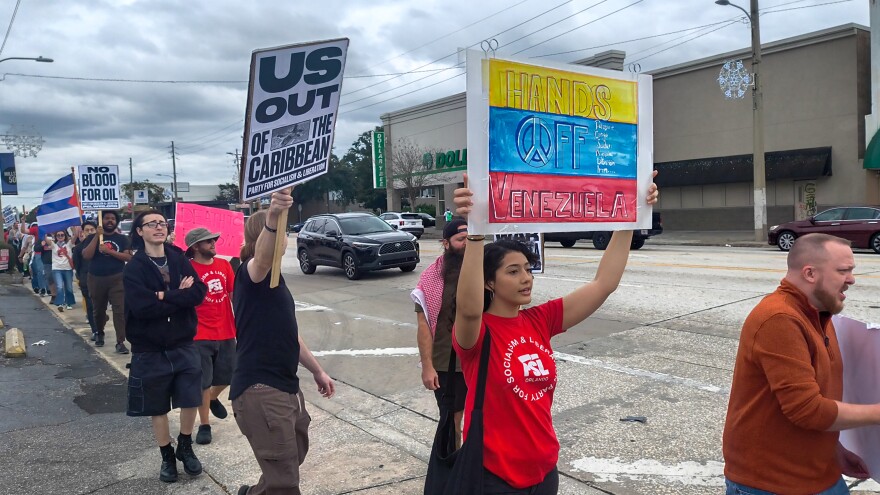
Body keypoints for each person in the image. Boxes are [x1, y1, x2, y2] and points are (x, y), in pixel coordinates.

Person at [451, 172, 658, 493]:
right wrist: (476, 230)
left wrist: (631, 215)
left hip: (545, 471)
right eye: (513, 271)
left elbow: (604, 284)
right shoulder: (476, 334)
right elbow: (467, 309)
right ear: (489, 282)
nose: (526, 278)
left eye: (528, 269)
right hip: (494, 477)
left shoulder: (540, 320)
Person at [722, 233, 875, 495]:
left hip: (821, 474)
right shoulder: (779, 319)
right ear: (810, 273)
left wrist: (833, 450)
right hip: (772, 484)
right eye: (843, 270)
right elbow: (808, 410)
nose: (851, 279)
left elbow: (813, 398)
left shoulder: (818, 313)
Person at [231, 188, 335, 495]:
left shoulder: (275, 279)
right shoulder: (252, 275)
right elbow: (262, 258)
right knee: (285, 481)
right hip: (261, 389)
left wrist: (317, 370)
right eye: (282, 231)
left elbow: (289, 332)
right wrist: (274, 216)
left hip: (286, 386)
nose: (286, 236)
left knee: (291, 458)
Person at [123, 210, 208, 483]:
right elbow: (142, 307)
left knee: (190, 398)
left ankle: (185, 444)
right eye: (152, 224)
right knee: (157, 407)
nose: (159, 227)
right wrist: (177, 296)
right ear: (140, 231)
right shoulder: (134, 267)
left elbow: (198, 293)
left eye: (162, 223)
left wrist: (163, 296)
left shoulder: (178, 258)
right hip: (149, 349)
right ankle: (167, 456)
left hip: (183, 343)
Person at [412, 217, 469, 447]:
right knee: (452, 421)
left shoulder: (484, 272)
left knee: (482, 419)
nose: (466, 244)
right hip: (448, 364)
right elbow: (423, 325)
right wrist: (427, 366)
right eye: (461, 239)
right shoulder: (430, 278)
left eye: (471, 239)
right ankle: (452, 467)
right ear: (446, 243)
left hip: (481, 360)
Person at [185, 227, 237, 446]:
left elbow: (234, 295)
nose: (214, 243)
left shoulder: (224, 265)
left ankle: (213, 398)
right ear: (196, 247)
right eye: (208, 241)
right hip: (200, 333)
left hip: (226, 329)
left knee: (230, 375)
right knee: (203, 382)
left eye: (214, 240)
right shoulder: (187, 269)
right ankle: (204, 424)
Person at [82, 210, 132, 351]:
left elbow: (128, 257)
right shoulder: (92, 237)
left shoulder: (123, 239)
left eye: (113, 219)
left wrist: (109, 251)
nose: (110, 221)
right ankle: (99, 332)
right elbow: (86, 255)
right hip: (96, 278)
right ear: (101, 221)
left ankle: (120, 341)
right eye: (106, 218)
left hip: (117, 278)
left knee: (119, 310)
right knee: (98, 310)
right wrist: (97, 236)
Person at [72, 221, 99, 339]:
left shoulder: (101, 245)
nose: (89, 232)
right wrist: (80, 278)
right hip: (86, 280)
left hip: (101, 280)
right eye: (87, 230)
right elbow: (77, 265)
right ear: (83, 232)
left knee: (100, 307)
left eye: (92, 230)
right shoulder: (78, 248)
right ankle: (95, 331)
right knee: (90, 306)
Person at [47, 230, 76, 311]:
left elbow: (76, 235)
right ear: (55, 237)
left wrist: (76, 224)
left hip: (67, 269)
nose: (60, 237)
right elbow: (44, 238)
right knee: (59, 286)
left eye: (62, 235)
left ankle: (69, 303)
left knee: (69, 287)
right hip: (57, 269)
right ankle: (60, 303)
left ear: (65, 236)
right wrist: (44, 229)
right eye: (58, 235)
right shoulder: (53, 245)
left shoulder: (69, 244)